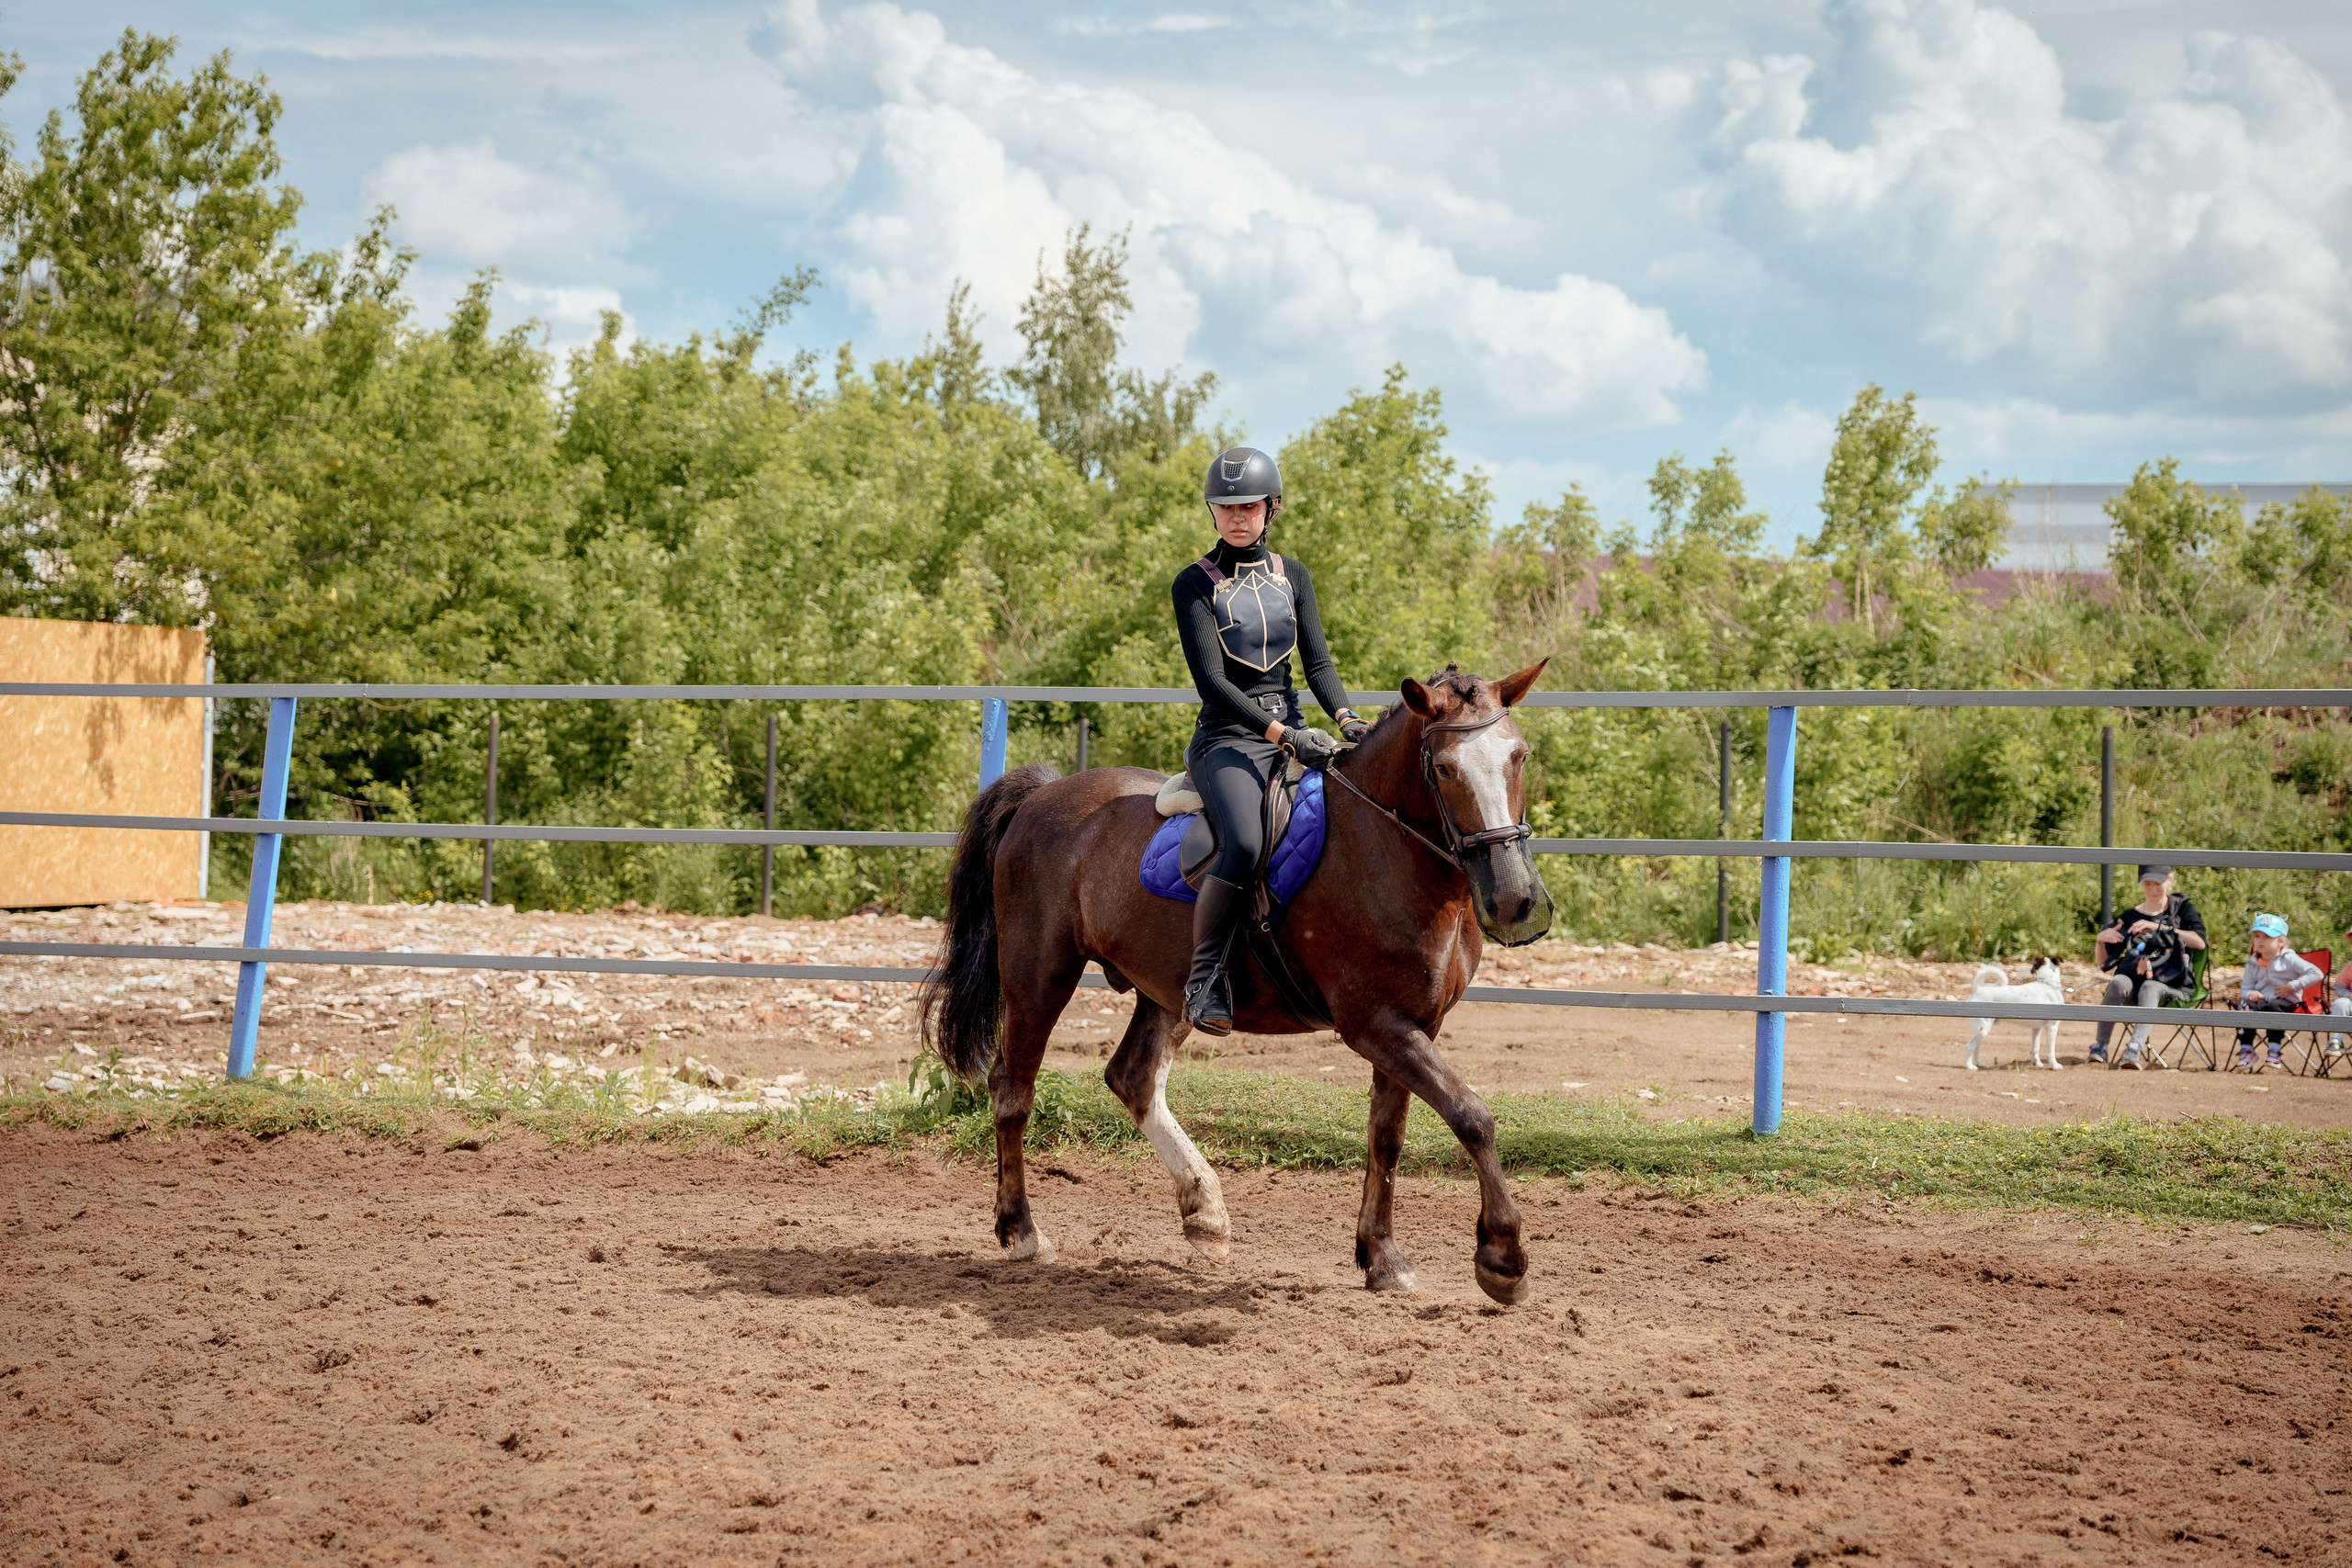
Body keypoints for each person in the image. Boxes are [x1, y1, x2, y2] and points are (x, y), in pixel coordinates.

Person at [1171, 446, 1368, 1035]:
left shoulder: (1294, 576)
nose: (1237, 516)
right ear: (1213, 512)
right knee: (1247, 842)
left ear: (1270, 508)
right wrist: (1285, 735)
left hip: (1295, 733)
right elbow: (1212, 682)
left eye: (1249, 505)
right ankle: (1204, 979)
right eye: (1225, 506)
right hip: (1228, 741)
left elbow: (1319, 663)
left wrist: (1347, 718)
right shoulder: (1193, 584)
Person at [2091, 865, 2207, 1068]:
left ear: (2170, 880)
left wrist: (2159, 927)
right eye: (2148, 884)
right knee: (2117, 982)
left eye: (2158, 884)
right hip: (2132, 981)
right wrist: (2100, 941)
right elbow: (2103, 963)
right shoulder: (2128, 917)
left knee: (2150, 987)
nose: (2153, 889)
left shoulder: (2182, 909)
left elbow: (2199, 943)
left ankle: (2134, 1049)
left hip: (2171, 984)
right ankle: (2100, 1046)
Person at [2233, 914, 2321, 1071]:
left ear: (2281, 941)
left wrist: (2293, 986)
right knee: (2243, 1006)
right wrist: (2250, 994)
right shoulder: (2252, 962)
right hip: (2260, 1000)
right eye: (2257, 936)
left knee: (2274, 1008)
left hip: (2285, 1000)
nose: (2260, 940)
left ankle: (2274, 1050)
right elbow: (2244, 989)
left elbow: (2316, 973)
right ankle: (2246, 1049)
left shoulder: (2289, 959)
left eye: (2267, 937)